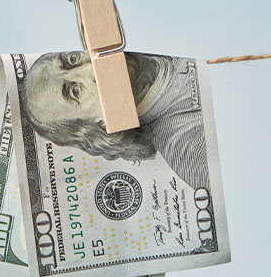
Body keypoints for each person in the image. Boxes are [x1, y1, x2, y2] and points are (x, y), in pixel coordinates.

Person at [18, 51, 208, 189]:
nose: (89, 67)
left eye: (72, 60)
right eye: (75, 91)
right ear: (98, 126)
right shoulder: (186, 149)